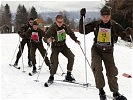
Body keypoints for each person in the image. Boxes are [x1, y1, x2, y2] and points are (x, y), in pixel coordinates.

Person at [79, 6, 131, 100]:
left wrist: (128, 34)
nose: (105, 18)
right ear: (101, 16)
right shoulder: (96, 24)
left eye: (107, 15)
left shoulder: (114, 25)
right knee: (97, 68)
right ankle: (101, 91)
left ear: (110, 16)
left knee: (111, 71)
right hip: (97, 50)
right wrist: (81, 17)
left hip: (108, 51)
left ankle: (115, 93)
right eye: (104, 16)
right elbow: (82, 30)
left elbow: (123, 35)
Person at [45, 14, 80, 83]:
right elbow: (45, 37)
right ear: (56, 21)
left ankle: (68, 75)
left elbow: (70, 33)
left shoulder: (64, 26)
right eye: (58, 22)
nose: (60, 24)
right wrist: (48, 40)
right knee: (55, 62)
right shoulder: (52, 28)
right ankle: (51, 76)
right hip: (55, 47)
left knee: (71, 57)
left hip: (63, 46)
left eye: (61, 22)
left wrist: (75, 40)